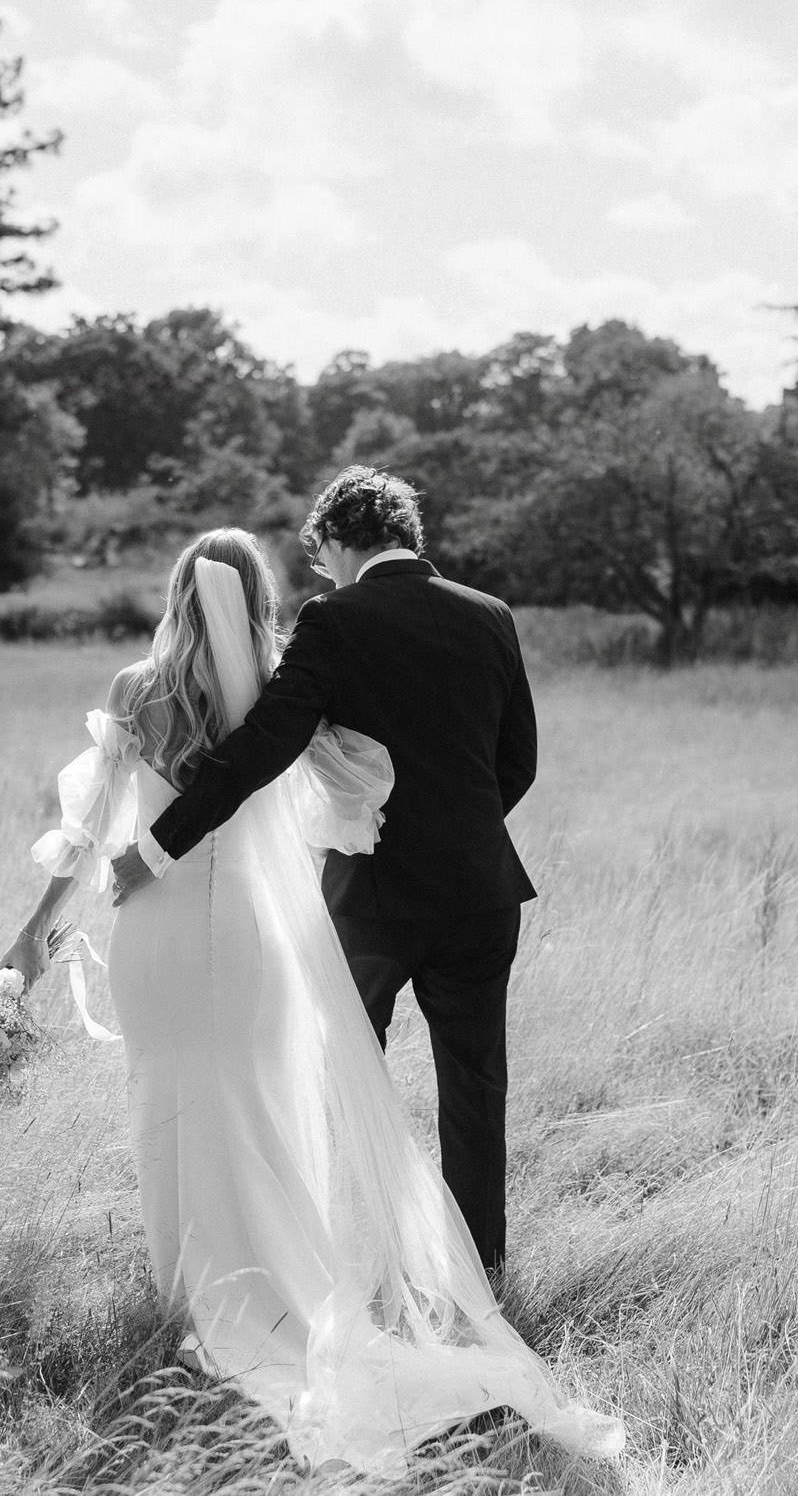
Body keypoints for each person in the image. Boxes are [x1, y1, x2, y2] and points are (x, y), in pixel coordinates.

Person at [6, 525, 618, 1472]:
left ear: (176, 594)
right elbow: (364, 784)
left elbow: (85, 832)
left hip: (155, 933)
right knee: (258, 1111)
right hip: (256, 939)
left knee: (164, 1101)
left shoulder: (138, 690)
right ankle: (281, 1285)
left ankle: (192, 1297)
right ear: (259, 598)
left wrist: (33, 935)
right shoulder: (283, 682)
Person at [110, 467, 534, 1278]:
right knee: (477, 1088)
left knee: (338, 1076)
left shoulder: (334, 618)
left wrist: (160, 845)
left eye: (322, 556)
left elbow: (265, 745)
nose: (324, 572)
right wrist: (458, 831)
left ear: (337, 538)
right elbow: (518, 762)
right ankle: (480, 1271)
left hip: (374, 898)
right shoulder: (491, 614)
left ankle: (353, 1259)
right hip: (483, 893)